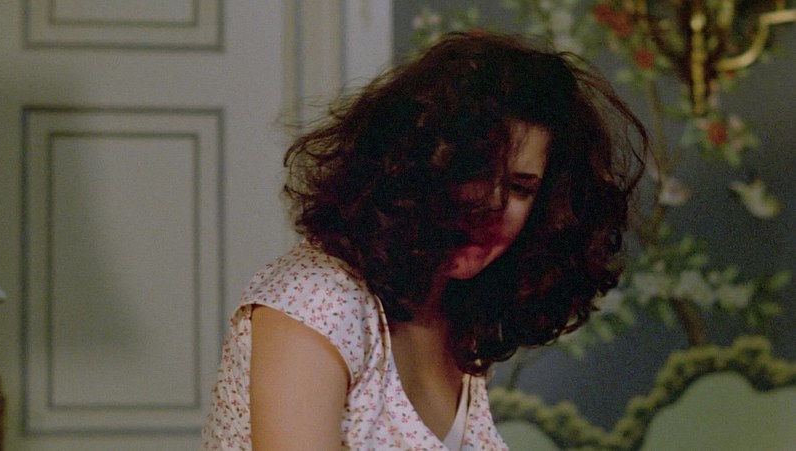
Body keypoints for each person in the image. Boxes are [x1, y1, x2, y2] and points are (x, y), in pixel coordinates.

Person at [201, 31, 647, 450]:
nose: (492, 208)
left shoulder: (457, 316)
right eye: (474, 172)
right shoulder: (316, 298)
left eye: (519, 187)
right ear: (408, 168)